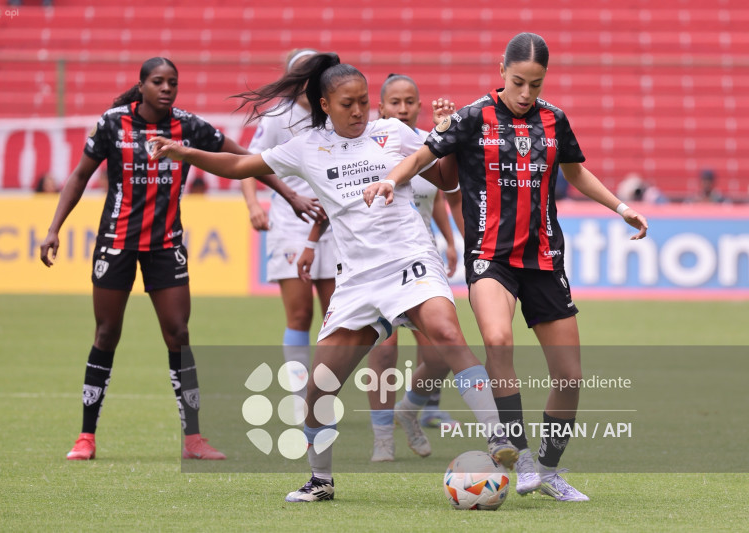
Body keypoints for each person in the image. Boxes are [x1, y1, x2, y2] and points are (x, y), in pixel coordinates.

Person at [150, 52, 519, 502]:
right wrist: (183, 152)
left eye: (365, 101)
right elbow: (239, 166)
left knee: (445, 331)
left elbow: (443, 179)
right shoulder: (306, 147)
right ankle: (320, 480)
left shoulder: (393, 132)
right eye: (349, 103)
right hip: (358, 279)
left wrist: (447, 139)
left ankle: (498, 437)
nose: (361, 110)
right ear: (325, 104)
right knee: (319, 386)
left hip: (409, 258)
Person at [365, 33, 649, 502]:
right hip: (490, 257)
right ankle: (517, 452)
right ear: (502, 71)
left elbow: (575, 170)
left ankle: (551, 468)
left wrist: (621, 208)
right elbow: (423, 155)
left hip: (543, 259)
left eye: (535, 85)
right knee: (497, 339)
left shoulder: (554, 120)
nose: (525, 94)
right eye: (518, 82)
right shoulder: (473, 116)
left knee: (570, 378)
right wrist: (389, 181)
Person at [39, 57, 320, 462]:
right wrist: (54, 227)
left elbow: (244, 158)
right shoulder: (112, 123)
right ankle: (86, 436)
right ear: (142, 86)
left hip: (166, 246)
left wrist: (290, 194)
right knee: (106, 334)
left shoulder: (188, 126)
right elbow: (80, 176)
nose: (167, 88)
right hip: (116, 243)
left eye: (173, 81)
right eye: (158, 81)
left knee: (179, 335)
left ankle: (193, 439)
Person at [363, 73, 461, 462]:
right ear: (381, 108)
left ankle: (410, 407)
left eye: (409, 102)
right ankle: (382, 438)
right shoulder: (367, 145)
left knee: (439, 355)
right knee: (384, 352)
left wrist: (452, 242)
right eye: (394, 102)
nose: (402, 109)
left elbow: (438, 195)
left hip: (420, 260)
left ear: (419, 106)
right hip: (378, 263)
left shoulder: (427, 145)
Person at [240, 49, 337, 414]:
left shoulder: (333, 112)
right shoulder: (279, 116)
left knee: (337, 316)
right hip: (290, 227)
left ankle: (326, 393)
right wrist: (253, 206)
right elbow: (249, 163)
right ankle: (301, 401)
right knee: (299, 316)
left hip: (335, 227)